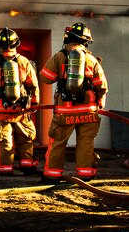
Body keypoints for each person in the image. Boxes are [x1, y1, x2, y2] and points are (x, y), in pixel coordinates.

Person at [39, 23, 108, 183]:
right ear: (86, 41)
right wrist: (101, 98)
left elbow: (45, 78)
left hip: (65, 111)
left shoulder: (59, 56)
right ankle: (86, 174)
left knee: (57, 143)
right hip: (88, 112)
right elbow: (101, 85)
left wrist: (61, 75)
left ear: (67, 38)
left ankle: (52, 175)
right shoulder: (91, 60)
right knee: (86, 143)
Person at [0, 28, 39, 176]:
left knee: (5, 141)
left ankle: (5, 170)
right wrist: (34, 104)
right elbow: (33, 85)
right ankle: (27, 166)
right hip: (21, 110)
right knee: (26, 139)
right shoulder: (24, 62)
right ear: (16, 44)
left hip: (2, 111)